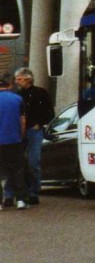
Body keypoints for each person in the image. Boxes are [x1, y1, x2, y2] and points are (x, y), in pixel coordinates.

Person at [11, 68, 52, 205]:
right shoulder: (17, 95)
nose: (17, 81)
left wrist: (39, 124)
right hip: (19, 132)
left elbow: (49, 112)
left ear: (28, 79)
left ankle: (34, 192)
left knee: (33, 161)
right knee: (18, 163)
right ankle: (21, 192)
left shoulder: (41, 93)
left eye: (19, 79)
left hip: (34, 131)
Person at [0, 73, 28, 210]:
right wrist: (21, 135)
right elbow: (22, 121)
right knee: (17, 169)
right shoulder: (17, 99)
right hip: (14, 140)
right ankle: (21, 200)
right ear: (9, 85)